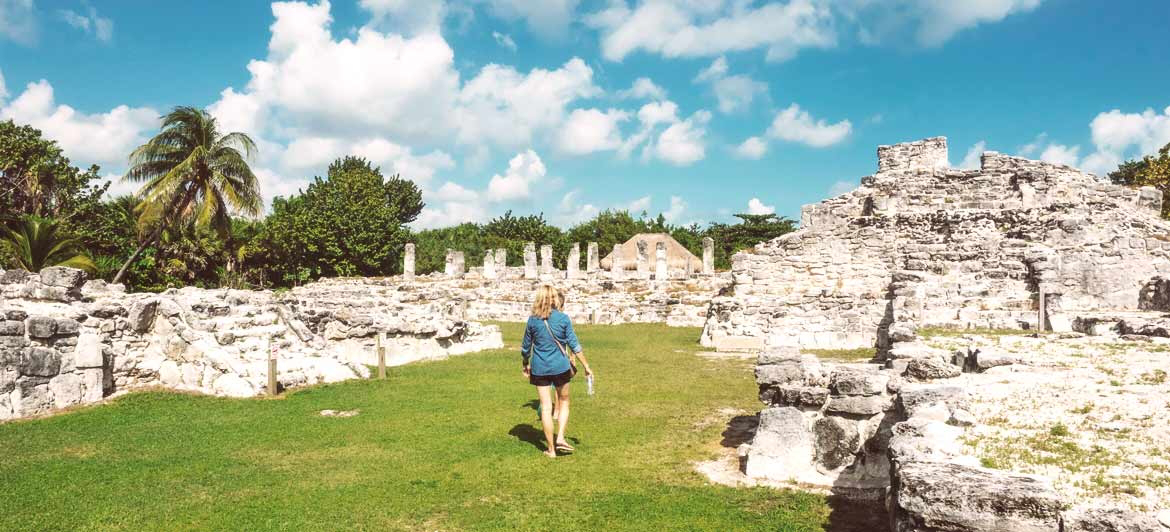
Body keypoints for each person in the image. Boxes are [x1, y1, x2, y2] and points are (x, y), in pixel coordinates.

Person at [521, 284, 593, 458]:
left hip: (540, 368)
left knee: (546, 408)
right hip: (561, 367)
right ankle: (560, 437)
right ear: (554, 299)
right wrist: (586, 366)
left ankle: (551, 450)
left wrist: (525, 363)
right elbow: (574, 344)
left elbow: (525, 347)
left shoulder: (532, 320)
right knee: (564, 401)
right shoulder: (563, 318)